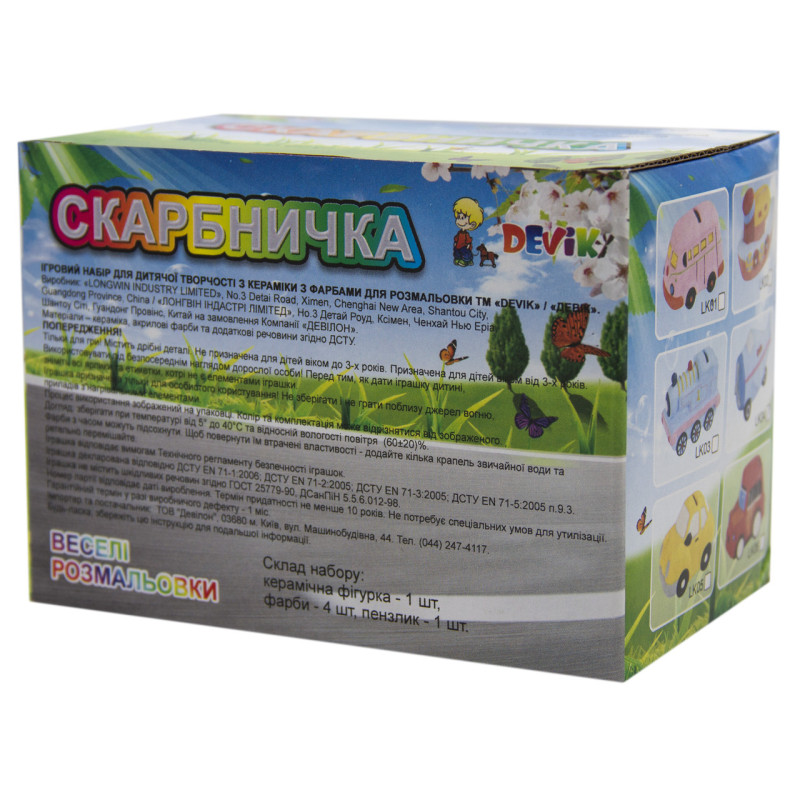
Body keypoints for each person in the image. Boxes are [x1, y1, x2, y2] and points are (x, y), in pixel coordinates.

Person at [452, 197, 484, 266]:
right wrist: (455, 242)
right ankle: (457, 258)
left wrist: (468, 244)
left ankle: (467, 261)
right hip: (458, 245)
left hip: (464, 246)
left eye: (462, 218)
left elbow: (468, 240)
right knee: (456, 251)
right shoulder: (459, 233)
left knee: (465, 252)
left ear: (472, 225)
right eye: (458, 217)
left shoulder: (466, 234)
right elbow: (456, 237)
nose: (459, 221)